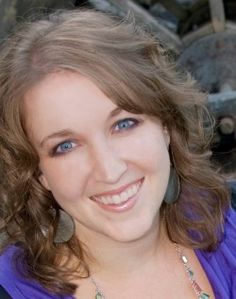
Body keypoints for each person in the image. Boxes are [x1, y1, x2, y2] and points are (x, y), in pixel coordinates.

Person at [0, 8, 235, 299]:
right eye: (66, 146)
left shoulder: (223, 223)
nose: (109, 170)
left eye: (124, 124)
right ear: (37, 171)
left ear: (166, 125)